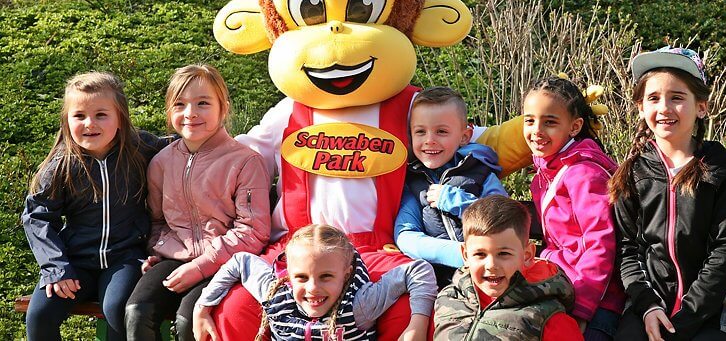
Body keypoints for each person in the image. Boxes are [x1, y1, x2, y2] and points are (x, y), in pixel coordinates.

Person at [610, 47, 726, 341]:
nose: (664, 107)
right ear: (640, 107)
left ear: (701, 106)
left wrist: (683, 321)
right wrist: (647, 306)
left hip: (711, 313)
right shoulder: (634, 172)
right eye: (653, 98)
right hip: (649, 307)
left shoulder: (721, 172)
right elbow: (628, 249)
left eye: (677, 97)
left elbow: (724, 255)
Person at [124, 64, 270, 340]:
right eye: (180, 104)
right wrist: (159, 248)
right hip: (175, 259)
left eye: (203, 103)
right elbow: (157, 221)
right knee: (137, 310)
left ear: (223, 108)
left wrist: (201, 266)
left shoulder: (246, 162)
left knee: (187, 321)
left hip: (225, 263)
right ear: (169, 112)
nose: (190, 113)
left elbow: (254, 231)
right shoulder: (162, 162)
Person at [22, 72, 170, 341]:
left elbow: (183, 147)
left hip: (125, 258)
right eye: (79, 116)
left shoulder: (140, 149)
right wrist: (57, 268)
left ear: (120, 118)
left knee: (117, 310)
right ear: (67, 122)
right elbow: (38, 217)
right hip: (75, 261)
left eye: (101, 114)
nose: (89, 123)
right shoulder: (61, 165)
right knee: (39, 316)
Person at [193, 224, 437, 341]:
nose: (312, 289)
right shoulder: (275, 294)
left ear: (345, 274)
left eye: (326, 277)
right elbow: (240, 262)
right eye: (301, 277)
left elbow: (419, 270)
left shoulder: (360, 305)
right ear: (288, 274)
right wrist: (202, 307)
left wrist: (416, 324)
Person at [523, 76, 625, 340]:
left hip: (595, 303)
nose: (537, 130)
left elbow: (600, 244)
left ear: (574, 126)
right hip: (562, 287)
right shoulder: (544, 173)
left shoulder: (583, 173)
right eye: (530, 120)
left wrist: (582, 311)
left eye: (550, 122)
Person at [394, 86, 507, 288]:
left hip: (494, 274)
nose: (429, 140)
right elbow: (406, 236)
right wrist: (461, 253)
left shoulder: (480, 172)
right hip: (443, 281)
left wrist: (456, 201)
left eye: (442, 132)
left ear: (464, 137)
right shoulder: (413, 183)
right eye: (420, 131)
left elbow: (506, 221)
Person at [434, 195, 583, 341]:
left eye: (503, 254)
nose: (491, 265)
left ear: (527, 255)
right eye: (480, 254)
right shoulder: (448, 299)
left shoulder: (547, 317)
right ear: (465, 255)